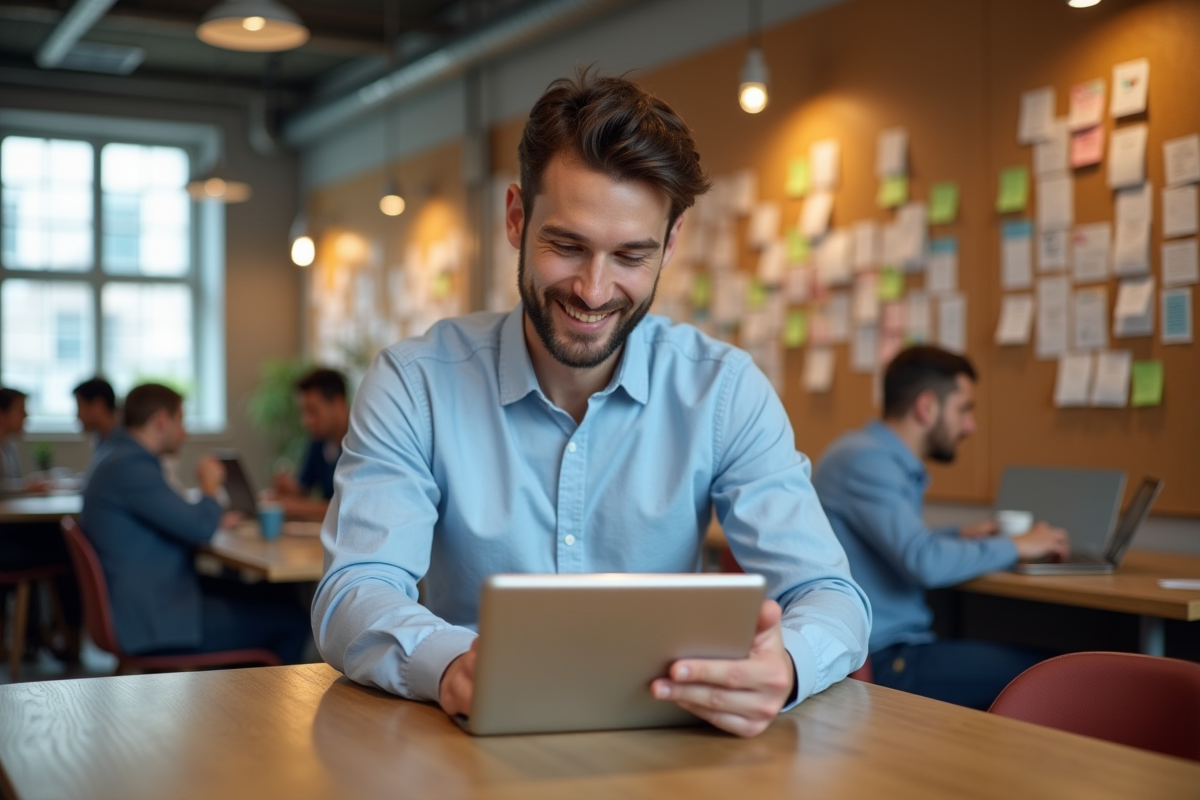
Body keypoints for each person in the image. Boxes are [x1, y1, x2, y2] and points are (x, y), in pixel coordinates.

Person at [312, 72, 871, 739]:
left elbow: (833, 598)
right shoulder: (415, 382)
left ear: (671, 242)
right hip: (466, 743)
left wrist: (784, 664)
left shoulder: (723, 390)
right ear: (517, 218)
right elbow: (354, 591)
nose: (594, 289)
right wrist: (453, 662)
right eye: (567, 245)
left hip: (671, 749)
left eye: (631, 255)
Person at [812, 346, 1070, 710]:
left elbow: (900, 546)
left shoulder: (866, 452)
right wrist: (1017, 545)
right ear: (927, 406)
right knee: (1054, 674)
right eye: (964, 409)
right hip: (882, 658)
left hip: (890, 648)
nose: (970, 426)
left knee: (1044, 664)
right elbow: (924, 561)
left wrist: (957, 536)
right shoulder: (868, 460)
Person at [82, 383, 310, 664]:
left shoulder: (116, 456)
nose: (184, 432)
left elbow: (178, 517)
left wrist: (202, 511)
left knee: (274, 593)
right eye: (181, 420)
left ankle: (240, 697)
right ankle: (261, 704)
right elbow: (200, 529)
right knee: (292, 619)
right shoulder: (131, 466)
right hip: (156, 622)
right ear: (162, 421)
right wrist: (209, 486)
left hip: (152, 601)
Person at [270, 368, 348, 520]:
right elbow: (303, 487)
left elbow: (351, 508)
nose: (306, 421)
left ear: (338, 403)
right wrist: (287, 489)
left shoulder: (363, 443)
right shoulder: (318, 442)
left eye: (313, 411)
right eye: (303, 412)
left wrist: (296, 507)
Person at [0, 388, 46, 494]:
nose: (26, 416)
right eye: (20, 410)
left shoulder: (7, 447)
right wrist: (26, 487)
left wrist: (28, 483)